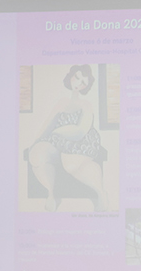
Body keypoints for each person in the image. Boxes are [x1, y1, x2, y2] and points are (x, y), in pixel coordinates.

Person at [28, 64, 109, 211]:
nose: (78, 83)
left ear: (86, 87)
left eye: (83, 82)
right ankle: (51, 194)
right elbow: (48, 124)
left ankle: (101, 193)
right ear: (71, 76)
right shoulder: (62, 102)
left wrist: (58, 131)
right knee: (36, 155)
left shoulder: (86, 104)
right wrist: (35, 142)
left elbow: (81, 131)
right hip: (59, 141)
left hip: (80, 142)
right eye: (77, 77)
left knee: (69, 164)